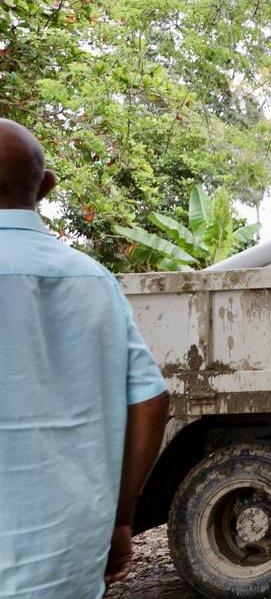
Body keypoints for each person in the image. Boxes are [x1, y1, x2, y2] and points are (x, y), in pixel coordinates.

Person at [0, 119, 170, 597]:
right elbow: (152, 400)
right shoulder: (93, 279)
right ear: (47, 186)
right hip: (71, 554)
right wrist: (121, 519)